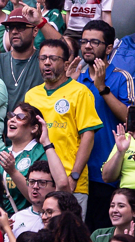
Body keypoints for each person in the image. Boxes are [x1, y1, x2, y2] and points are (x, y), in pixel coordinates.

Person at [25, 39, 103, 215]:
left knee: (68, 230)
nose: (47, 63)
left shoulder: (80, 92)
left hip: (69, 181)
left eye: (53, 58)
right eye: (43, 58)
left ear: (66, 64)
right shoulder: (31, 95)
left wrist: (74, 175)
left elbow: (88, 137)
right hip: (38, 183)